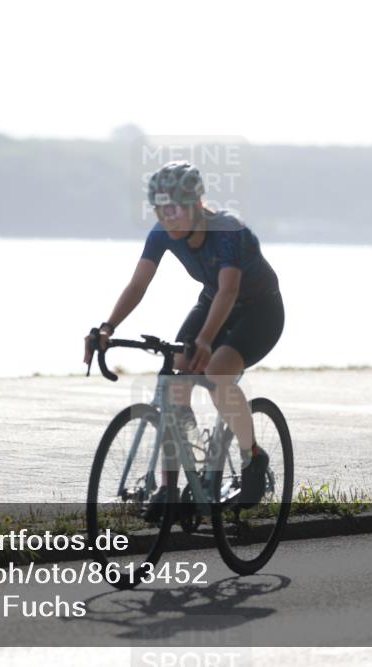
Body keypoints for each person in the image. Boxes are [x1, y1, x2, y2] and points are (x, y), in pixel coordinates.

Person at [83, 160, 285, 507]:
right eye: (159, 208)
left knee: (217, 374)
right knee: (175, 384)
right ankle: (172, 488)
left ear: (195, 204)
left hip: (259, 309)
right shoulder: (161, 232)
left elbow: (229, 290)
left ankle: (254, 458)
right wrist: (107, 327)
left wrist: (206, 339)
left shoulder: (227, 230)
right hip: (211, 302)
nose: (167, 216)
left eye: (174, 208)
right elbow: (138, 284)